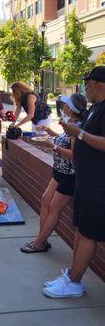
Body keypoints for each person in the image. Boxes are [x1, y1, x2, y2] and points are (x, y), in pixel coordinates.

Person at [43, 66, 105, 299]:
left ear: (98, 84)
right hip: (86, 180)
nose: (85, 89)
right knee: (81, 230)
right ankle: (71, 275)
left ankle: (75, 283)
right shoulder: (95, 109)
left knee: (88, 233)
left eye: (87, 85)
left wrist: (77, 133)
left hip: (98, 185)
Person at [20, 93, 87, 253]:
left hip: (70, 175)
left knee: (54, 208)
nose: (63, 106)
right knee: (45, 200)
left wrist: (54, 147)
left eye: (66, 105)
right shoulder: (70, 123)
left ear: (71, 109)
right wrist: (50, 130)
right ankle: (43, 238)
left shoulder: (77, 127)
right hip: (59, 170)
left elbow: (74, 155)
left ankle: (39, 243)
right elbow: (63, 138)